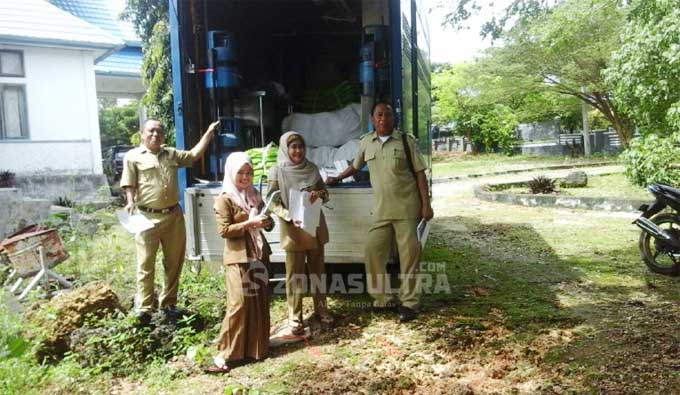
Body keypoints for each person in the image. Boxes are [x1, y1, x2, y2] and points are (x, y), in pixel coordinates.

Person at [327, 102, 433, 322]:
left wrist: (426, 204)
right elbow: (355, 167)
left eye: (387, 115)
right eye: (379, 115)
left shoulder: (406, 141)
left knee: (409, 258)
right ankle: (383, 299)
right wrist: (337, 178)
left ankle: (409, 303)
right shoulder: (366, 142)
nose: (383, 118)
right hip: (382, 210)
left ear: (393, 119)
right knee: (373, 251)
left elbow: (420, 175)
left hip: (407, 209)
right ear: (372, 120)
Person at [120, 119, 219, 325]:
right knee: (145, 263)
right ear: (142, 134)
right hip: (146, 217)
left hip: (173, 217)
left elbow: (193, 155)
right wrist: (130, 202)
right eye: (151, 131)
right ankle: (145, 309)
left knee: (173, 263)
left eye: (159, 131)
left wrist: (209, 133)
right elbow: (129, 183)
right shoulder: (133, 157)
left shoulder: (171, 154)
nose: (155, 135)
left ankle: (168, 304)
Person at [208, 152, 273, 374]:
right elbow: (224, 231)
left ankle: (254, 351)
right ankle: (224, 354)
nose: (245, 177)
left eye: (249, 173)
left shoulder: (254, 195)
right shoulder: (224, 199)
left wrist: (265, 220)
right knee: (239, 303)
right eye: (241, 173)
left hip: (258, 254)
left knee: (258, 301)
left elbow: (269, 222)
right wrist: (249, 223)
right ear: (231, 173)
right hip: (237, 257)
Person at [267, 131, 332, 336]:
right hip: (293, 229)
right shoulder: (277, 171)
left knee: (318, 272)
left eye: (300, 146)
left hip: (314, 227)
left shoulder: (312, 168)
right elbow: (271, 201)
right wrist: (287, 216)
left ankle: (321, 310)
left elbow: (326, 195)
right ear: (286, 149)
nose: (298, 151)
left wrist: (318, 194)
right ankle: (295, 317)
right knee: (294, 275)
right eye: (293, 147)